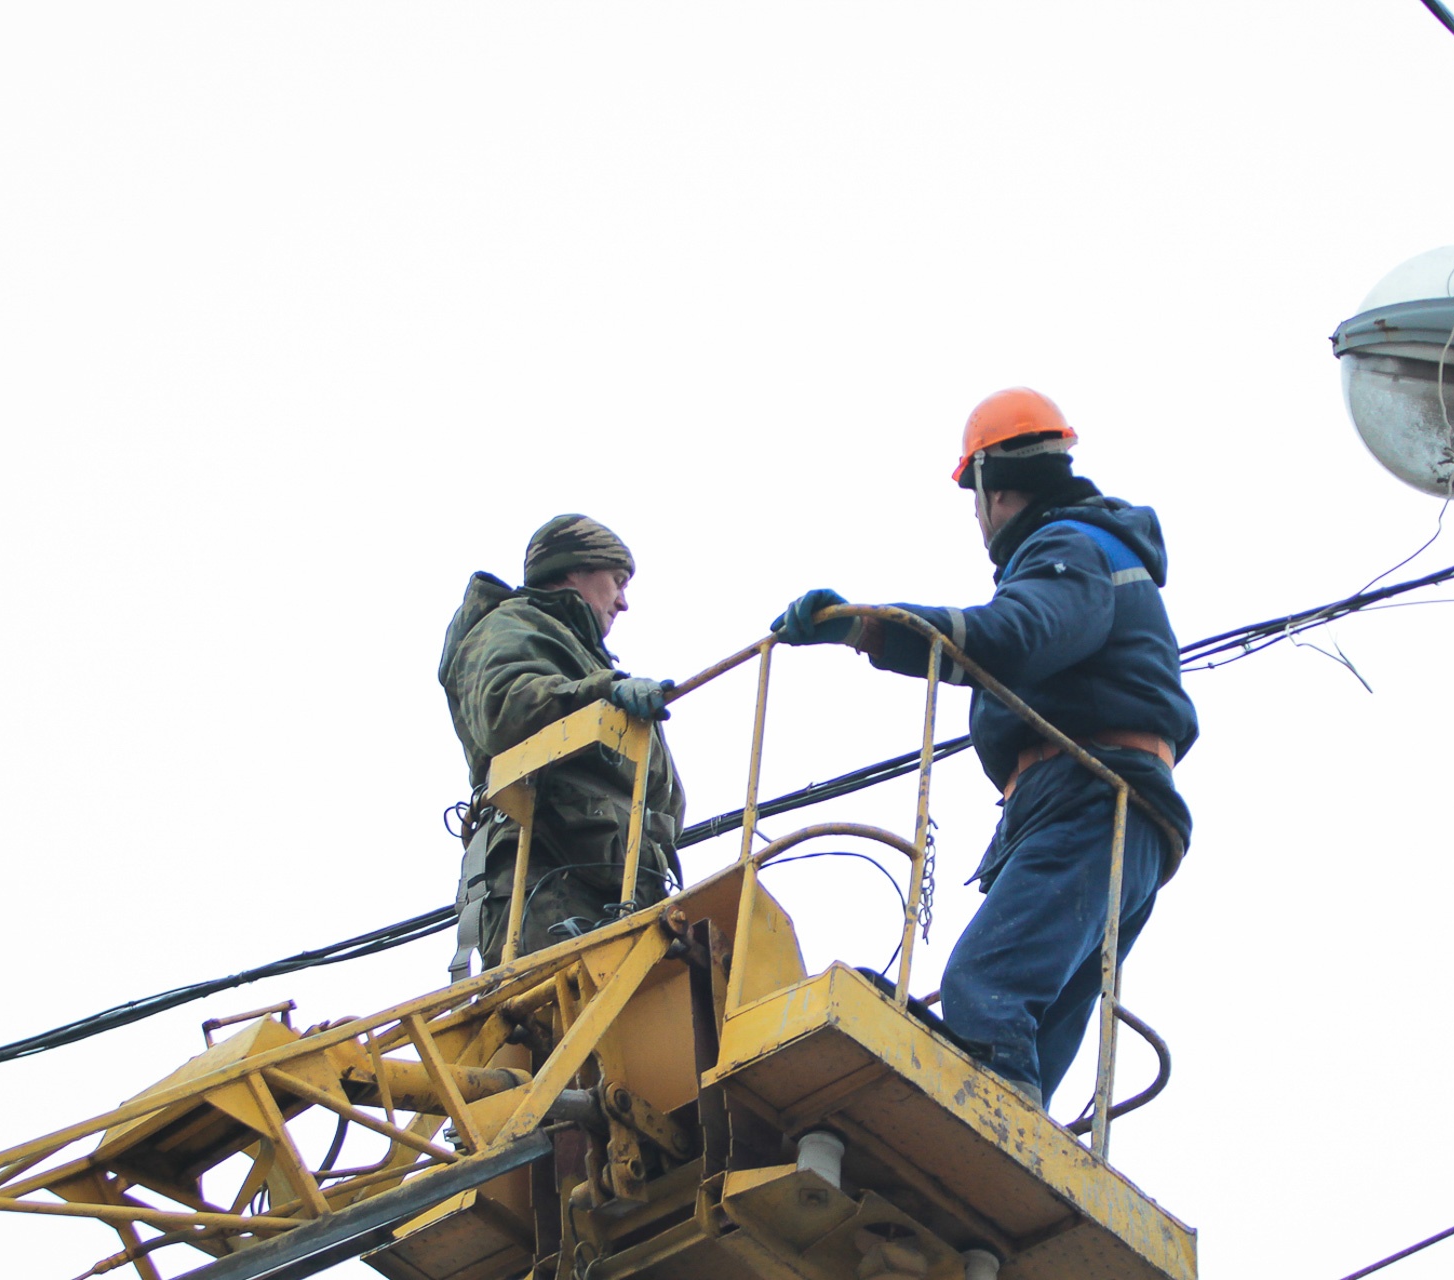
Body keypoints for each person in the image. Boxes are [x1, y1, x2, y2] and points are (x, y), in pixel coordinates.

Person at [772, 388, 1196, 1106]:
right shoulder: (1097, 549)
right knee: (1031, 1024)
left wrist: (869, 627)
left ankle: (988, 1123)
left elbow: (1015, 636)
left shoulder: (1068, 548)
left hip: (1089, 801)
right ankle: (1006, 1134)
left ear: (994, 490)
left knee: (987, 988)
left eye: (975, 498)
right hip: (1111, 810)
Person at [439, 514, 686, 979]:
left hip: (616, 881)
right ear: (575, 570)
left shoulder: (578, 650)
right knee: (557, 1028)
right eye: (617, 580)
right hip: (549, 879)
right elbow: (503, 709)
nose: (624, 601)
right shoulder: (513, 625)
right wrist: (600, 692)